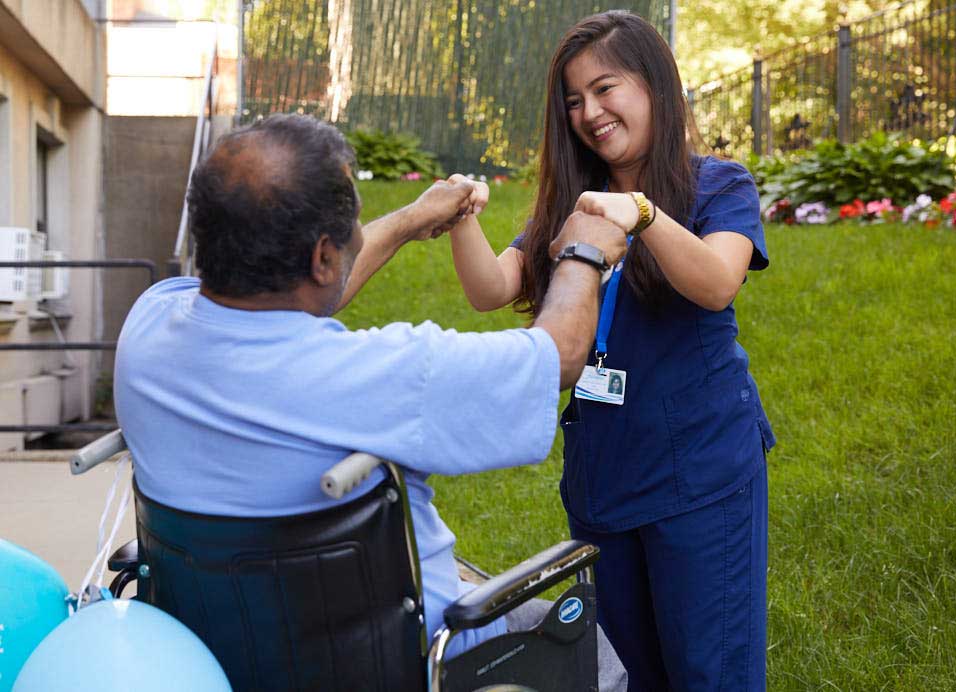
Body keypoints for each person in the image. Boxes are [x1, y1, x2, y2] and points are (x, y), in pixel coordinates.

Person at [113, 113, 628, 689]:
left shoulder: (148, 326)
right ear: (323, 259)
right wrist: (583, 254)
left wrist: (411, 220)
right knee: (600, 656)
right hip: (416, 661)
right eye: (355, 224)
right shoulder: (390, 376)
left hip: (230, 653)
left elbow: (286, 299)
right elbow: (558, 355)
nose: (363, 233)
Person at [447, 11, 776, 691]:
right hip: (606, 476)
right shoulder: (570, 207)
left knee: (710, 670)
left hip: (701, 476)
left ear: (655, 85)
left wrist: (645, 215)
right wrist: (459, 218)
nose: (588, 112)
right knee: (628, 673)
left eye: (605, 88)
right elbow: (492, 289)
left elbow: (717, 283)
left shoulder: (717, 184)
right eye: (573, 99)